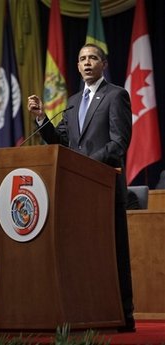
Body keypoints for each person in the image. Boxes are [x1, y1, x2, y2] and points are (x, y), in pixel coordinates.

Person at [27, 43, 135, 332]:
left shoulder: (116, 96)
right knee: (83, 254)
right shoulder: (73, 101)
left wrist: (84, 165)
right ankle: (88, 312)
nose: (87, 63)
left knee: (113, 253)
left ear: (104, 64)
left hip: (105, 188)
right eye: (82, 59)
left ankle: (124, 316)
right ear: (77, 66)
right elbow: (60, 142)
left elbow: (119, 143)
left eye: (93, 58)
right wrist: (41, 118)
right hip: (77, 191)